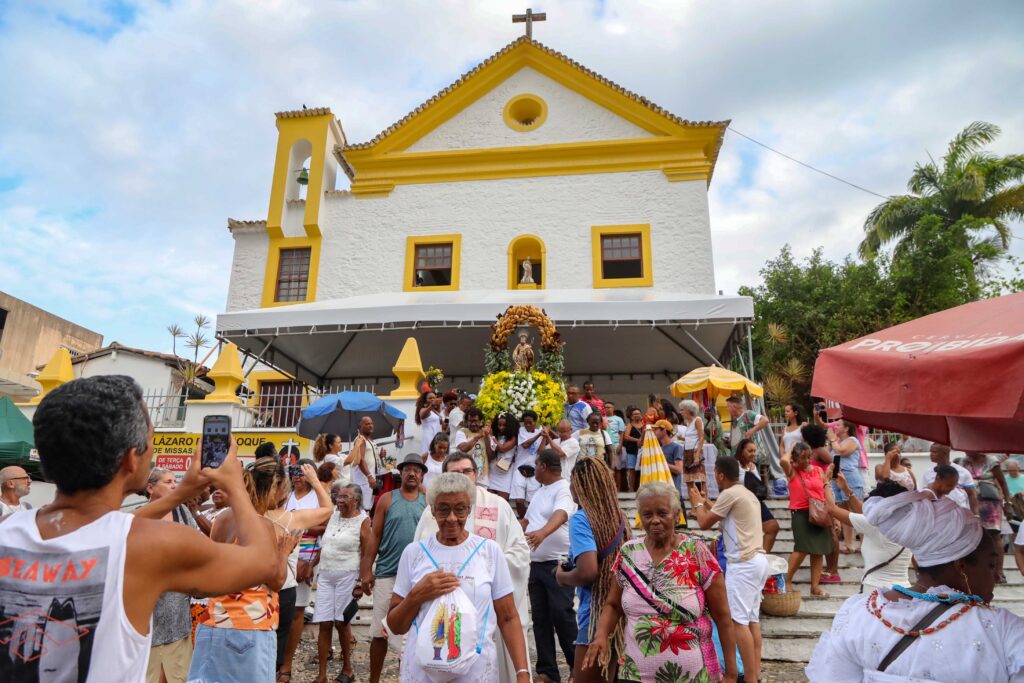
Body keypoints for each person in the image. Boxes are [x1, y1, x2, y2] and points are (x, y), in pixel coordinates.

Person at [0, 375, 278, 682]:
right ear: (131, 459)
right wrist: (235, 484)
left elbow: (107, 527)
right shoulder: (153, 544)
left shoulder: (9, 529)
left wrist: (182, 492)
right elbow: (264, 563)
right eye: (151, 441)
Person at [806, 490, 1024, 682]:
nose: (996, 576)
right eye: (992, 565)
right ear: (961, 566)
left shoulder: (860, 614)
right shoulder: (1004, 630)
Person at [583, 481, 738, 682]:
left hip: (693, 675)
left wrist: (732, 674)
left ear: (676, 515)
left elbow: (723, 617)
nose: (655, 521)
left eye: (662, 513)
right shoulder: (629, 553)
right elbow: (613, 605)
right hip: (634, 675)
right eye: (647, 515)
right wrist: (601, 635)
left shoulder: (697, 553)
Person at [386, 473, 531, 683]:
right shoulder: (414, 553)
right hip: (424, 673)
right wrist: (417, 595)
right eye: (443, 509)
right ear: (433, 511)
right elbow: (396, 626)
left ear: (469, 510)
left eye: (460, 509)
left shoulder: (489, 552)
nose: (452, 518)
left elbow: (508, 617)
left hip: (477, 674)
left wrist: (522, 673)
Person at [187, 454, 297, 683]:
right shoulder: (262, 525)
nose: (282, 497)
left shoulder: (222, 518)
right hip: (250, 625)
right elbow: (276, 581)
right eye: (282, 490)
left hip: (214, 621)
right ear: (273, 488)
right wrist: (284, 551)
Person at [689, 457, 769, 683]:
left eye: (715, 473)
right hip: (757, 561)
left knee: (738, 623)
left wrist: (696, 503)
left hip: (743, 564)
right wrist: (705, 503)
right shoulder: (744, 493)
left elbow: (705, 523)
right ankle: (754, 674)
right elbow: (718, 511)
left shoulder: (730, 494)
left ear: (720, 475)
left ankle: (750, 678)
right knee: (751, 621)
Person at [555, 457, 629, 683]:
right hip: (620, 610)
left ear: (579, 486)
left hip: (596, 613)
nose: (570, 487)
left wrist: (562, 577)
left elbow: (588, 571)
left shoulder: (581, 519)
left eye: (573, 482)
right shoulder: (620, 516)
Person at [360, 453, 428, 683]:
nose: (412, 473)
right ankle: (374, 680)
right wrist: (366, 570)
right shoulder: (387, 499)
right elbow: (374, 534)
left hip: (417, 576)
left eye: (417, 470)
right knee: (380, 631)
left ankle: (406, 678)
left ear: (422, 475)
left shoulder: (428, 501)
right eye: (407, 469)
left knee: (411, 636)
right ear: (400, 472)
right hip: (388, 572)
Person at [265, 462, 332, 679]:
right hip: (277, 576)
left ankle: (284, 665)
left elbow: (327, 521)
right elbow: (325, 511)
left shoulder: (254, 513)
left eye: (301, 474)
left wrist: (309, 562)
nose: (297, 478)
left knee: (293, 616)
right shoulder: (279, 514)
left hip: (300, 563)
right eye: (292, 474)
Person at [524, 449, 578, 682]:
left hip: (557, 563)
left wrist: (542, 533)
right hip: (535, 564)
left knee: (562, 615)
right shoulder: (540, 491)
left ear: (544, 466)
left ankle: (578, 666)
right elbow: (527, 520)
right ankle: (547, 670)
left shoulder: (563, 489)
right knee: (541, 617)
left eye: (536, 465)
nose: (534, 470)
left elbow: (562, 514)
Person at [142, 468, 199, 683]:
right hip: (149, 611)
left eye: (175, 481)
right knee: (149, 676)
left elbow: (198, 545)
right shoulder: (141, 516)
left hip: (177, 609)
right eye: (167, 482)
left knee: (177, 676)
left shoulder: (182, 513)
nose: (174, 485)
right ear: (150, 488)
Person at [313, 482, 369, 683]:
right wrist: (312, 565)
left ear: (356, 501)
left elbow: (366, 554)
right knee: (324, 622)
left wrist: (361, 581)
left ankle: (347, 669)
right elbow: (325, 544)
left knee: (341, 622)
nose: (340, 500)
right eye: (339, 497)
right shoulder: (333, 516)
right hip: (327, 574)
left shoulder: (363, 521)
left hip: (348, 574)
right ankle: (322, 674)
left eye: (345, 497)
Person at [826, 473, 913, 592]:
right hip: (903, 590)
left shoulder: (876, 525)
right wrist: (846, 490)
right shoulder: (908, 524)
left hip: (877, 591)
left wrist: (825, 482)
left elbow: (831, 508)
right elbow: (866, 513)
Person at [782, 442, 834, 597]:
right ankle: (787, 581)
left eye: (808, 456)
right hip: (801, 514)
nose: (806, 461)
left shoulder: (818, 470)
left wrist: (833, 513)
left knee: (818, 552)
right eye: (802, 458)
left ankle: (815, 587)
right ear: (795, 458)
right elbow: (783, 461)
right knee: (801, 549)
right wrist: (791, 448)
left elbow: (826, 491)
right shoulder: (792, 471)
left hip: (819, 513)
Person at [959, 451, 1013, 583]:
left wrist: (1008, 503)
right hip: (970, 502)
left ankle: (999, 571)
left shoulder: (991, 461)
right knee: (972, 535)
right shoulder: (963, 462)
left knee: (994, 535)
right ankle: (975, 569)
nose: (966, 451)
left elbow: (1003, 483)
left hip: (990, 504)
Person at [828, 420, 866, 554]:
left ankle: (865, 544)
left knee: (857, 511)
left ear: (846, 428)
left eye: (838, 425)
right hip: (836, 477)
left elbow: (842, 452)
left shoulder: (852, 440)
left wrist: (832, 440)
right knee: (845, 513)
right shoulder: (836, 443)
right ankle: (849, 544)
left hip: (850, 478)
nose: (835, 427)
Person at [735, 438, 780, 552]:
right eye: (750, 451)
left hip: (756, 502)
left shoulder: (754, 466)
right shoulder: (735, 465)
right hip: (741, 503)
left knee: (773, 527)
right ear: (741, 451)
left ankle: (762, 556)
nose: (753, 454)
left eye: (754, 451)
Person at [923, 443, 978, 512]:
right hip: (939, 514)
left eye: (934, 452)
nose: (931, 454)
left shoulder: (963, 472)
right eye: (930, 452)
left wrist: (975, 514)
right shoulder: (928, 473)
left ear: (945, 453)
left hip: (960, 513)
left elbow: (972, 495)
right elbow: (926, 494)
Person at [511, 409, 545, 517]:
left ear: (535, 422)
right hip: (519, 469)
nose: (528, 425)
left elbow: (541, 452)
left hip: (534, 470)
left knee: (532, 502)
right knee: (519, 501)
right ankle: (523, 522)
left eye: (530, 422)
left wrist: (545, 435)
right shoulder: (521, 430)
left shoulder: (540, 431)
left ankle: (530, 523)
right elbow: (525, 445)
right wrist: (539, 435)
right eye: (525, 422)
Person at [347, 416, 383, 513]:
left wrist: (381, 456)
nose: (370, 426)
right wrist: (369, 476)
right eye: (367, 424)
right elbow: (361, 460)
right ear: (360, 426)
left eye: (371, 423)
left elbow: (369, 458)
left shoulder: (369, 440)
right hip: (364, 479)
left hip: (369, 479)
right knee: (363, 507)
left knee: (368, 506)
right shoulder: (360, 440)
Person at [453, 406, 490, 487]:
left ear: (480, 421)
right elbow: (463, 448)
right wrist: (477, 437)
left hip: (482, 477)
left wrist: (487, 437)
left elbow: (491, 455)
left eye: (475, 421)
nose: (473, 424)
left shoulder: (486, 433)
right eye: (470, 421)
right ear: (466, 421)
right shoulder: (461, 432)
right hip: (464, 476)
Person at [486, 412, 519, 500]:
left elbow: (502, 448)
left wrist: (492, 436)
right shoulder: (497, 435)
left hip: (505, 471)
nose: (501, 427)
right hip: (493, 469)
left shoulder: (513, 438)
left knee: (503, 500)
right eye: (499, 425)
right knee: (490, 499)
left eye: (504, 425)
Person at [678, 400, 707, 493]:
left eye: (682, 410)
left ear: (688, 410)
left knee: (700, 479)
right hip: (687, 452)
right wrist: (683, 438)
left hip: (695, 451)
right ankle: (694, 506)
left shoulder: (697, 420)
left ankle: (703, 503)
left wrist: (697, 455)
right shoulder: (688, 423)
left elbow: (701, 437)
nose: (680, 412)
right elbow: (692, 438)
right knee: (689, 481)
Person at [653, 419, 684, 504]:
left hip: (674, 492)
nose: (654, 431)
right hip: (662, 492)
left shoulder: (676, 447)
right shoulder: (659, 449)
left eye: (656, 429)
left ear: (664, 430)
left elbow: (679, 469)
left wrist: (661, 463)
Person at [619, 408, 644, 492]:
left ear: (641, 415)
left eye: (638, 414)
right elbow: (626, 436)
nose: (636, 415)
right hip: (632, 450)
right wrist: (638, 440)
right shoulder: (629, 425)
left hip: (643, 451)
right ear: (631, 417)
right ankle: (631, 489)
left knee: (642, 469)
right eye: (634, 414)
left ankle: (641, 488)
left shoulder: (644, 425)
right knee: (632, 469)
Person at [416, 390, 442, 458]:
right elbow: (422, 415)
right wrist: (432, 405)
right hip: (429, 437)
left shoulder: (435, 411)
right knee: (428, 456)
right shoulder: (423, 409)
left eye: (434, 398)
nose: (432, 399)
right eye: (430, 398)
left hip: (437, 436)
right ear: (425, 400)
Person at [603, 402, 626, 469]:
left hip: (615, 445)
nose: (607, 409)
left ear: (613, 408)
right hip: (604, 445)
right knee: (606, 467)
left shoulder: (619, 419)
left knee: (616, 467)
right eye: (605, 407)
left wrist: (620, 445)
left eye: (609, 407)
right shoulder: (602, 418)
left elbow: (622, 433)